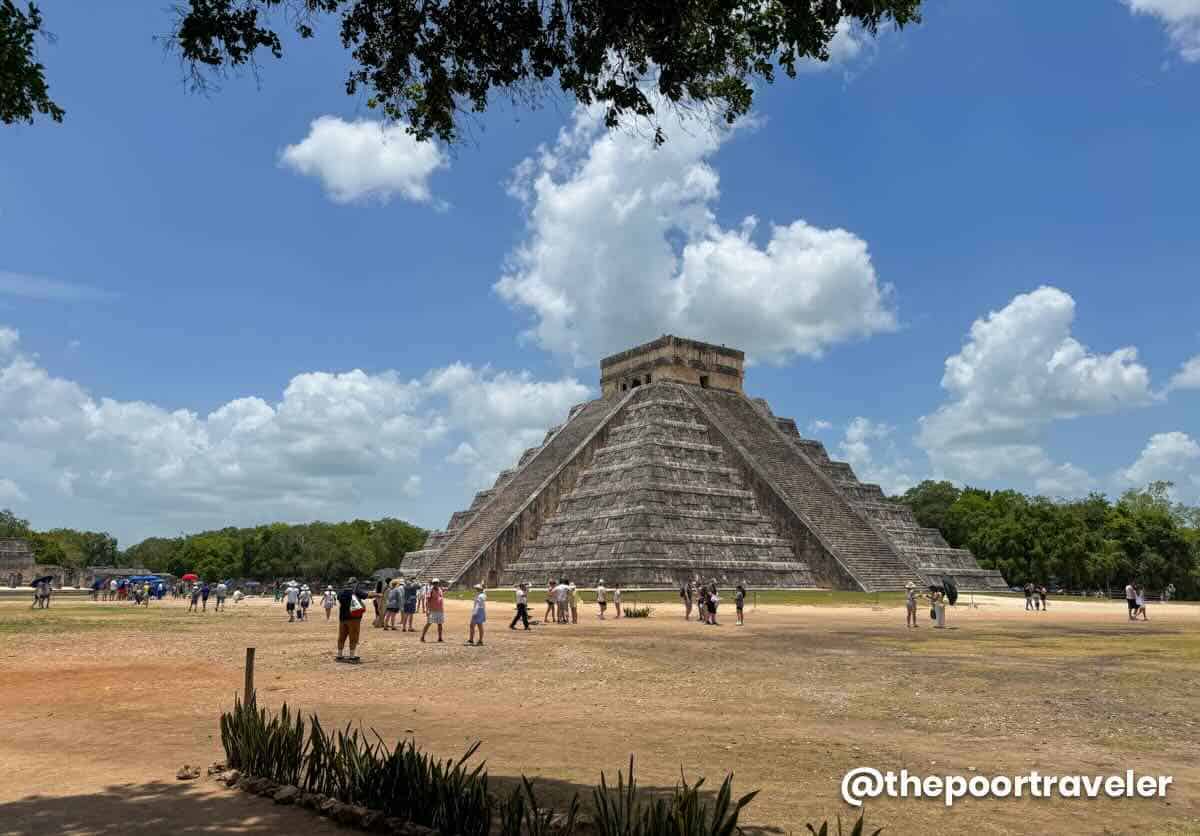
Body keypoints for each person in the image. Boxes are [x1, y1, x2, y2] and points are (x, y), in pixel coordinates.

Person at [336, 577, 371, 662]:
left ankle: (339, 655)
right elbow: (367, 595)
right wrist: (378, 594)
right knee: (353, 637)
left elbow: (339, 598)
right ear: (355, 583)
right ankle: (352, 656)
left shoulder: (341, 592)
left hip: (342, 618)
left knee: (342, 637)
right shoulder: (356, 591)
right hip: (354, 617)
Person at [421, 579, 445, 643]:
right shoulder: (430, 590)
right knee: (429, 623)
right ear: (432, 583)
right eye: (434, 583)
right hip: (432, 610)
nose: (435, 584)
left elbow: (440, 598)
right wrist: (427, 610)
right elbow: (427, 601)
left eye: (437, 583)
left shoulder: (440, 589)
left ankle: (440, 637)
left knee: (440, 623)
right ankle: (422, 637)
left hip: (440, 609)